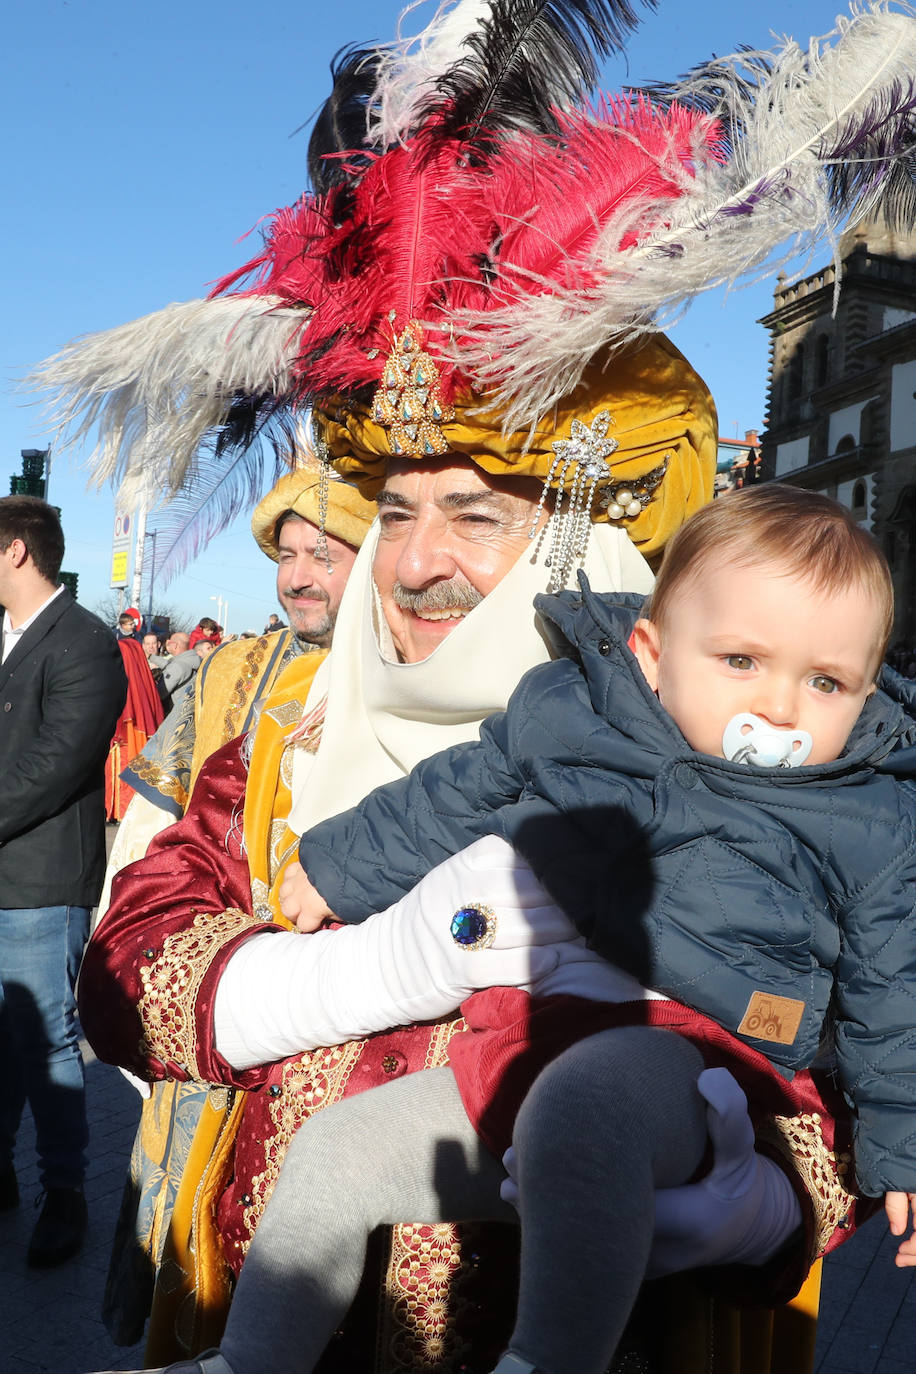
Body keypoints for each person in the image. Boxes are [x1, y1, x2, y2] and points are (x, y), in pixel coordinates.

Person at [41, 4, 914, 1368]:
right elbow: (121, 967)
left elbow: (849, 1045)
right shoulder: (256, 709)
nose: (421, 559)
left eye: (477, 513)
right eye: (397, 510)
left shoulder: (758, 753)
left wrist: (769, 1202)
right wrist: (364, 970)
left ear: (586, 537)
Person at [255, 484, 910, 1374]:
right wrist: (338, 866)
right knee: (341, 1151)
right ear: (651, 652)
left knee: (585, 1112)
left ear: (868, 691)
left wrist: (903, 1151)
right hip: (525, 1035)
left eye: (826, 681)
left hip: (697, 1051)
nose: (785, 709)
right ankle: (248, 1357)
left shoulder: (869, 815)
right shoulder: (571, 710)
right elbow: (460, 788)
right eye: (742, 661)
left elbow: (895, 993)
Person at [96, 460, 376, 1347]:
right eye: (287, 553)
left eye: (325, 554)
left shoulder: (408, 679)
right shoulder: (229, 670)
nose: (298, 574)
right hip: (201, 1007)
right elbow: (147, 829)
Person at [0, 495, 127, 1267]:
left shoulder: (83, 642)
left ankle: (65, 1192)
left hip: (43, 878)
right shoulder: (8, 636)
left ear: (17, 551)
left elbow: (54, 767)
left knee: (47, 1040)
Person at [105, 637, 164, 821]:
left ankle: (115, 810)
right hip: (139, 741)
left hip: (122, 739)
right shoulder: (145, 680)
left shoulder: (117, 676)